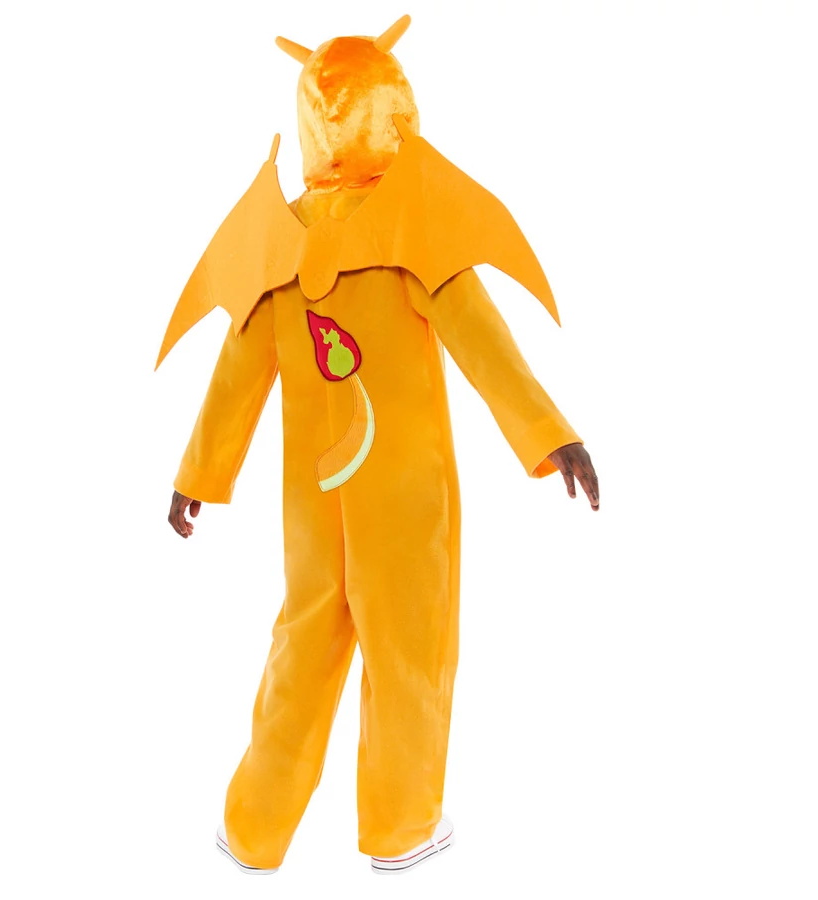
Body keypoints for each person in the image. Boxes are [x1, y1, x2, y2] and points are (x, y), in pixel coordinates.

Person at [160, 14, 599, 876]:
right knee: (408, 651)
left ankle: (251, 831)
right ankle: (401, 830)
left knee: (303, 644)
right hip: (402, 495)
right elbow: (481, 341)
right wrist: (552, 435)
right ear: (394, 110)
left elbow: (237, 370)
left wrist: (198, 475)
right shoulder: (413, 225)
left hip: (312, 500)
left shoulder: (277, 241)